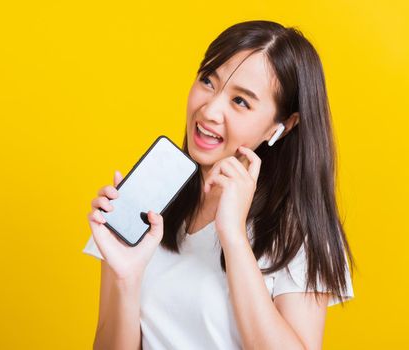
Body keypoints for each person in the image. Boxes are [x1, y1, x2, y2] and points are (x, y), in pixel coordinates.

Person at [82, 20, 354, 350]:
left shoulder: (297, 229)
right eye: (208, 81)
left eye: (241, 101)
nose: (210, 110)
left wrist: (234, 236)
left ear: (281, 126)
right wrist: (124, 276)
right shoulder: (146, 197)